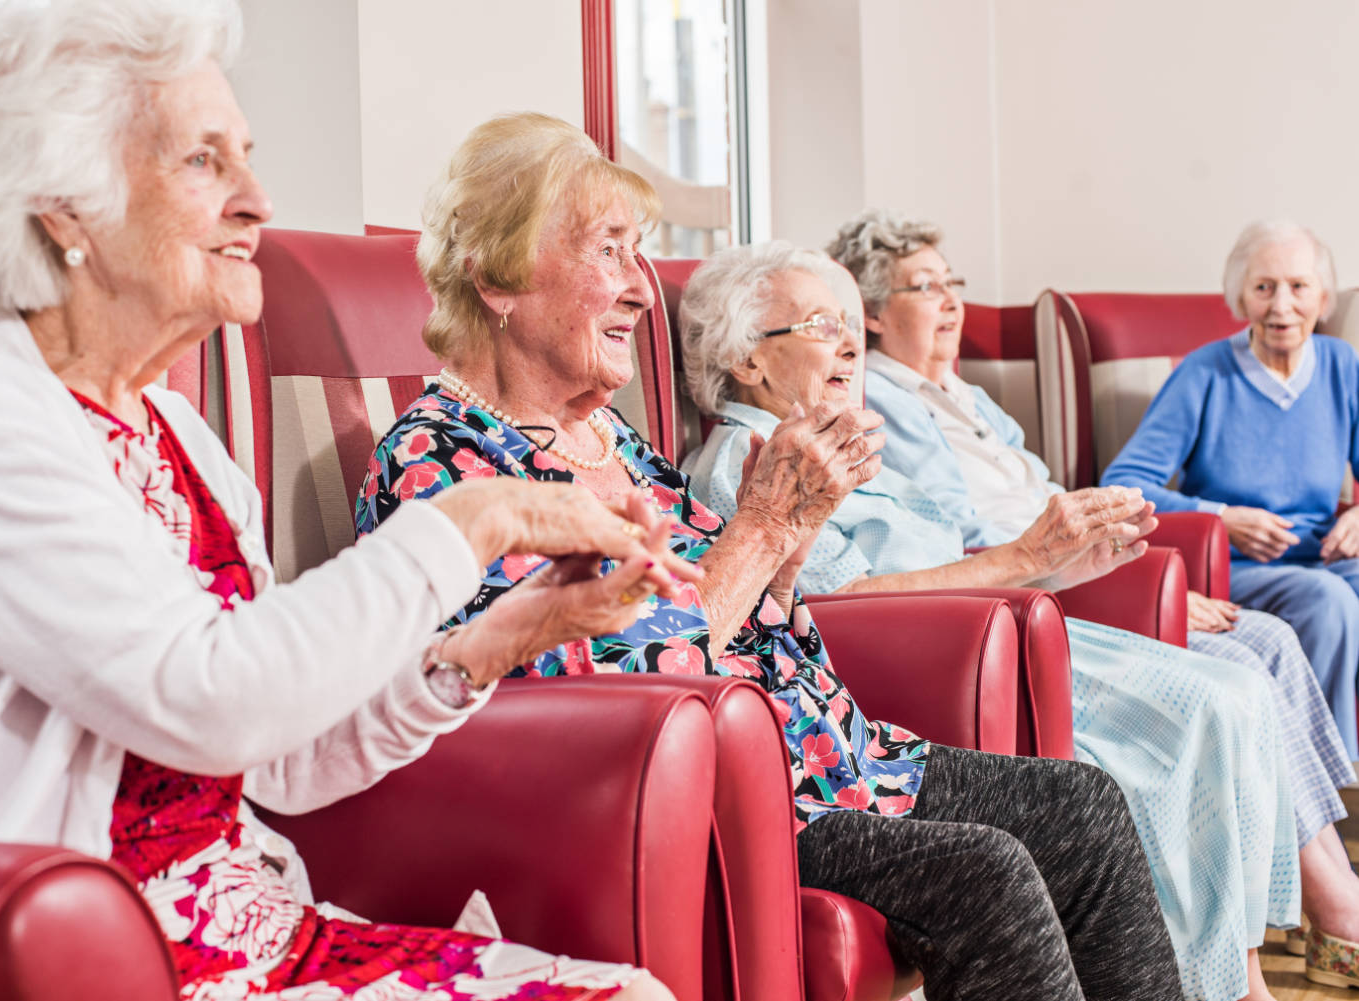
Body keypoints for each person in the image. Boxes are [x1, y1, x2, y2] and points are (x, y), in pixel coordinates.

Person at [0, 3, 697, 999]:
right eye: (204, 162)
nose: (257, 198)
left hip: (248, 933)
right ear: (63, 206)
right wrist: (479, 519)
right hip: (76, 960)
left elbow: (281, 758)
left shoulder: (180, 438)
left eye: (245, 157)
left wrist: (503, 634)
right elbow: (209, 695)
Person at [357, 111, 1182, 1001]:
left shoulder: (610, 440)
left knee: (1085, 805)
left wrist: (789, 540)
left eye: (640, 254)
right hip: (716, 796)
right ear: (496, 276)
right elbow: (594, 674)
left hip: (831, 755)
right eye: (608, 252)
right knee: (984, 870)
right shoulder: (444, 460)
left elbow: (740, 608)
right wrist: (756, 529)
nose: (640, 290)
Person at [677, 239, 1305, 1001]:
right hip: (922, 675)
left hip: (983, 639)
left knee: (1203, 710)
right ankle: (1229, 983)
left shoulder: (832, 444)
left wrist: (1053, 565)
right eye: (817, 324)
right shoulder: (745, 466)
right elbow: (830, 610)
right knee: (1191, 717)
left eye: (847, 322)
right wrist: (1021, 561)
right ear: (747, 359)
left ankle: (1230, 978)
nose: (848, 341)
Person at [829, 210, 1359, 987]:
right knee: (1278, 637)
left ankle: (1319, 904)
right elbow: (959, 531)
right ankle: (1314, 917)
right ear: (872, 314)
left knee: (1269, 644)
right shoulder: (883, 405)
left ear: (1323, 296)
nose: (949, 302)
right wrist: (1166, 543)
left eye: (953, 284)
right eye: (923, 287)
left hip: (1070, 562)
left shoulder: (969, 398)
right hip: (1021, 585)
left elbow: (1049, 491)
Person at [1097, 220, 1359, 748]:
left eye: (1299, 287)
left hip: (1321, 554)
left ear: (1324, 297)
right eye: (1264, 288)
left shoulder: (1342, 365)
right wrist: (1222, 518)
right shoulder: (1204, 373)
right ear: (1240, 297)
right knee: (1327, 600)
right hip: (1232, 568)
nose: (1282, 305)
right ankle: (1341, 785)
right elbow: (1122, 484)